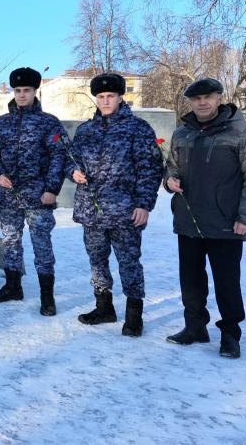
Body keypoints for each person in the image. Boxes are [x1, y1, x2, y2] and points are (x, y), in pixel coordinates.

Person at [163, 78, 246, 359]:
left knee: (227, 282)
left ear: (219, 98)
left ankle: (230, 334)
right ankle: (195, 326)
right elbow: (171, 169)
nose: (203, 102)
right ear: (190, 102)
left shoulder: (242, 132)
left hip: (226, 222)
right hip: (188, 221)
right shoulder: (182, 134)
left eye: (208, 96)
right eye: (196, 99)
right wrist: (170, 180)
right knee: (191, 280)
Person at [66, 73, 163, 336]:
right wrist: (73, 173)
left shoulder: (138, 129)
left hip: (125, 212)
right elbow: (70, 160)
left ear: (120, 97)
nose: (106, 101)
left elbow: (150, 169)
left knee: (129, 263)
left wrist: (144, 205)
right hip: (92, 211)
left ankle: (134, 316)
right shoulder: (85, 131)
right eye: (101, 97)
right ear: (95, 99)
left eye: (111, 96)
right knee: (97, 261)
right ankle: (104, 307)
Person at [0, 67, 66, 315]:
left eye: (26, 91)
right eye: (17, 90)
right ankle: (12, 286)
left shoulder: (48, 123)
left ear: (34, 91)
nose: (21, 95)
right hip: (8, 195)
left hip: (38, 195)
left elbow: (59, 156)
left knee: (42, 244)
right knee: (10, 241)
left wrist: (52, 188)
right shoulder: (1, 123)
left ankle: (47, 297)